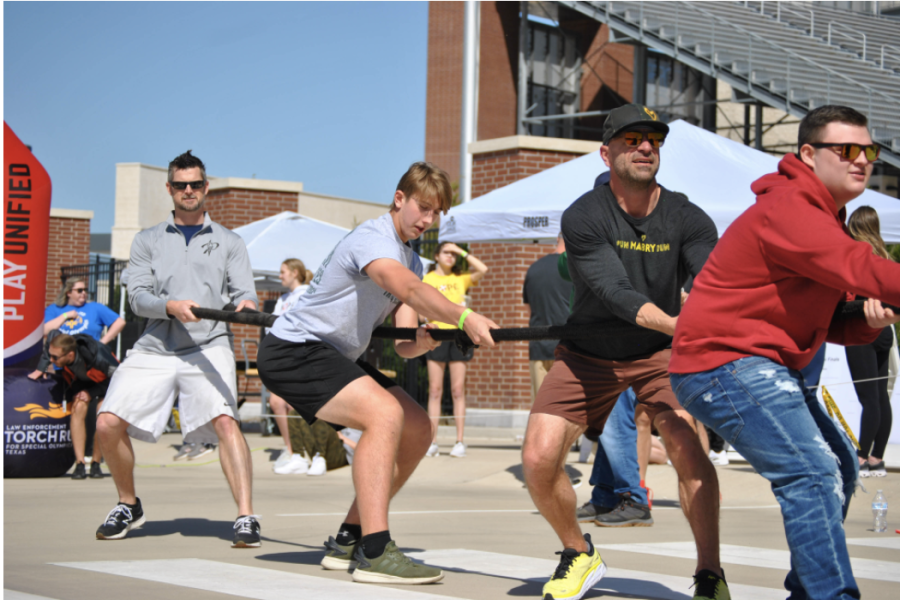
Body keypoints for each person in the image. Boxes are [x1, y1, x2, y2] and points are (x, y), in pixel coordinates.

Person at [669, 105, 900, 600]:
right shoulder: (791, 207)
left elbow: (832, 317)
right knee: (812, 471)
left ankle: (808, 590)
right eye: (848, 150)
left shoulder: (823, 218)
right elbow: (858, 266)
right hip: (722, 363)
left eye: (870, 151)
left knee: (838, 465)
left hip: (755, 363)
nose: (862, 160)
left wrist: (864, 320)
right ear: (809, 155)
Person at [257, 161, 498, 585]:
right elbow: (406, 289)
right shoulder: (372, 238)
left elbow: (404, 343)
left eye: (436, 212)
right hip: (294, 350)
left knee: (419, 427)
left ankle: (350, 537)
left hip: (333, 356)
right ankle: (375, 550)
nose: (428, 220)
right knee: (385, 415)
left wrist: (422, 342)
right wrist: (464, 317)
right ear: (399, 199)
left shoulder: (413, 260)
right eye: (422, 207)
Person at [521, 103, 726, 600]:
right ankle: (578, 553)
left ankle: (710, 574)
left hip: (659, 354)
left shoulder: (687, 216)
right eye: (632, 139)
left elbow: (714, 278)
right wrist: (681, 322)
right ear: (606, 151)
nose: (645, 147)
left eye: (653, 139)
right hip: (589, 350)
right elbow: (617, 294)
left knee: (685, 447)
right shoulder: (584, 215)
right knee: (538, 457)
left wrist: (708, 306)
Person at [94, 150, 261, 547]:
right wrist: (168, 307)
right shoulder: (147, 240)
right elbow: (136, 298)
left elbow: (246, 296)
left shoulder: (230, 242)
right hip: (155, 345)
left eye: (196, 184)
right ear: (169, 189)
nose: (189, 190)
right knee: (106, 422)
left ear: (207, 187)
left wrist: (247, 307)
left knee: (226, 422)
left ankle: (246, 516)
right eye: (181, 184)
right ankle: (127, 503)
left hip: (209, 343)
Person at [421, 241, 488, 458]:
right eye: (446, 253)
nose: (451, 257)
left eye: (453, 254)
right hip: (437, 335)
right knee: (435, 390)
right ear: (437, 256)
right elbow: (418, 303)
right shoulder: (428, 279)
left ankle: (459, 441)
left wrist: (461, 252)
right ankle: (432, 441)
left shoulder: (460, 278)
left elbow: (483, 269)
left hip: (459, 335)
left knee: (458, 390)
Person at [845, 205, 896, 478]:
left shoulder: (857, 255)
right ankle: (877, 457)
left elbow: (849, 294)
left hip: (861, 328)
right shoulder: (884, 255)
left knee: (869, 398)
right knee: (879, 396)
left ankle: (862, 457)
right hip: (884, 331)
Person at [36, 331, 119, 479]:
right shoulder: (61, 346)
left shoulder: (99, 358)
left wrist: (91, 392)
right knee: (78, 406)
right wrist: (41, 367)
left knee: (102, 413)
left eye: (55, 358)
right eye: (51, 356)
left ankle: (96, 463)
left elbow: (119, 379)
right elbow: (51, 336)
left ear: (70, 355)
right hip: (83, 381)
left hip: (108, 382)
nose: (52, 360)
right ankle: (80, 463)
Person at [267, 258, 315, 474]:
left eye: (283, 271)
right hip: (281, 355)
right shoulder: (283, 298)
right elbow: (272, 326)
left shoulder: (306, 294)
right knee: (276, 402)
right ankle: (292, 449)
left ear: (295, 272)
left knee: (294, 403)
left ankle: (305, 451)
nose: (280, 276)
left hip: (300, 355)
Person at [30, 277, 126, 380]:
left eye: (85, 290)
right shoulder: (55, 309)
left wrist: (101, 343)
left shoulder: (95, 308)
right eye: (80, 290)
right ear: (68, 292)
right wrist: (65, 316)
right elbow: (46, 331)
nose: (84, 293)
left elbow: (120, 322)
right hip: (63, 364)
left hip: (89, 364)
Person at [523, 233, 572, 402]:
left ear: (558, 239)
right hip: (570, 349)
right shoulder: (576, 269)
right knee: (567, 409)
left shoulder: (534, 268)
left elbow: (530, 309)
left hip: (539, 346)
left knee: (541, 407)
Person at [286, 415, 362, 476]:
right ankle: (298, 457)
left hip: (343, 454)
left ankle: (320, 457)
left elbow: (365, 449)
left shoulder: (364, 420)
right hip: (327, 444)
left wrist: (342, 438)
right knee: (295, 413)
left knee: (323, 415)